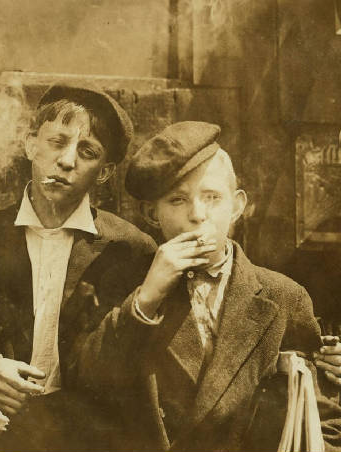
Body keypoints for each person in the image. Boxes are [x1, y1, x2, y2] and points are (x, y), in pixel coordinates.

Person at [64, 121, 341, 451]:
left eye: (212, 197)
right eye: (177, 200)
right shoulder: (125, 287)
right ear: (151, 214)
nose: (197, 214)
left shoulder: (283, 296)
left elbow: (323, 420)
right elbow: (86, 384)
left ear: (237, 205)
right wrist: (145, 300)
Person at [0, 83, 156, 451]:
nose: (68, 160)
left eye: (87, 151)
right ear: (30, 145)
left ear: (104, 172)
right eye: (57, 142)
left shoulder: (131, 252)